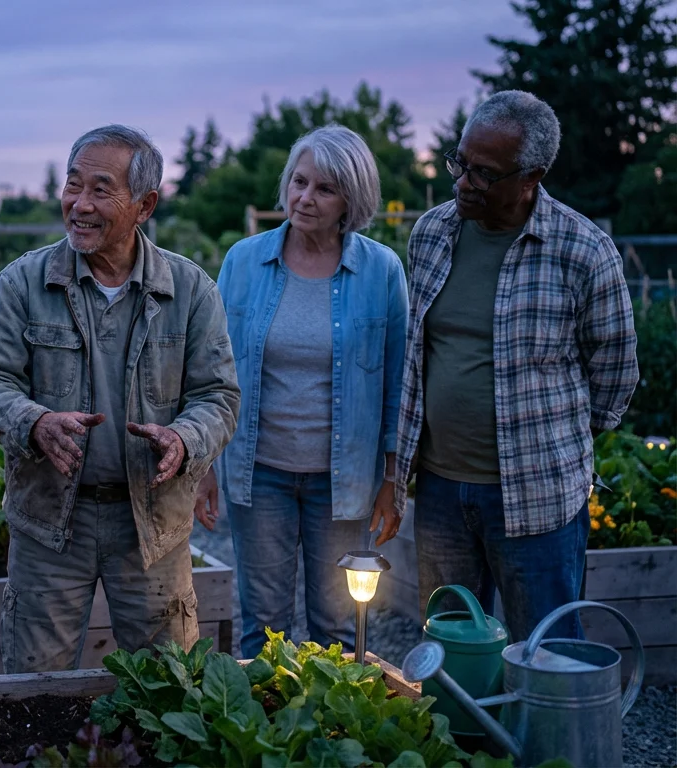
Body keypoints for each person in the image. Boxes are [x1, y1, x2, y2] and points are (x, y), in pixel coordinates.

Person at [0, 125, 240, 673]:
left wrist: (184, 439)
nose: (80, 205)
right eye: (73, 186)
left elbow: (219, 395)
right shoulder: (23, 284)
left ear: (145, 205)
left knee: (168, 686)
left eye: (100, 189)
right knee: (34, 687)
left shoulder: (189, 290)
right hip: (50, 522)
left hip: (152, 527)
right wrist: (35, 422)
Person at [395, 90, 639, 642]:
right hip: (439, 492)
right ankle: (467, 735)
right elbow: (420, 352)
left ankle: (544, 735)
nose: (463, 182)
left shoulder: (583, 251)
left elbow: (617, 373)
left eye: (484, 174)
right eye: (461, 163)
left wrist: (551, 439)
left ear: (532, 176)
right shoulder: (432, 234)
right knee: (451, 648)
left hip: (536, 495)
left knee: (547, 651)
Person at [203, 125, 409, 659]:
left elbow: (396, 385)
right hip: (260, 470)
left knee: (336, 629)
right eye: (299, 181)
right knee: (262, 627)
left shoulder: (381, 272)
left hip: (341, 482)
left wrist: (393, 479)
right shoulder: (244, 263)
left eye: (324, 188)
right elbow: (209, 369)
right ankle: (257, 739)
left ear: (352, 200)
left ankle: (326, 737)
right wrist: (204, 465)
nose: (304, 198)